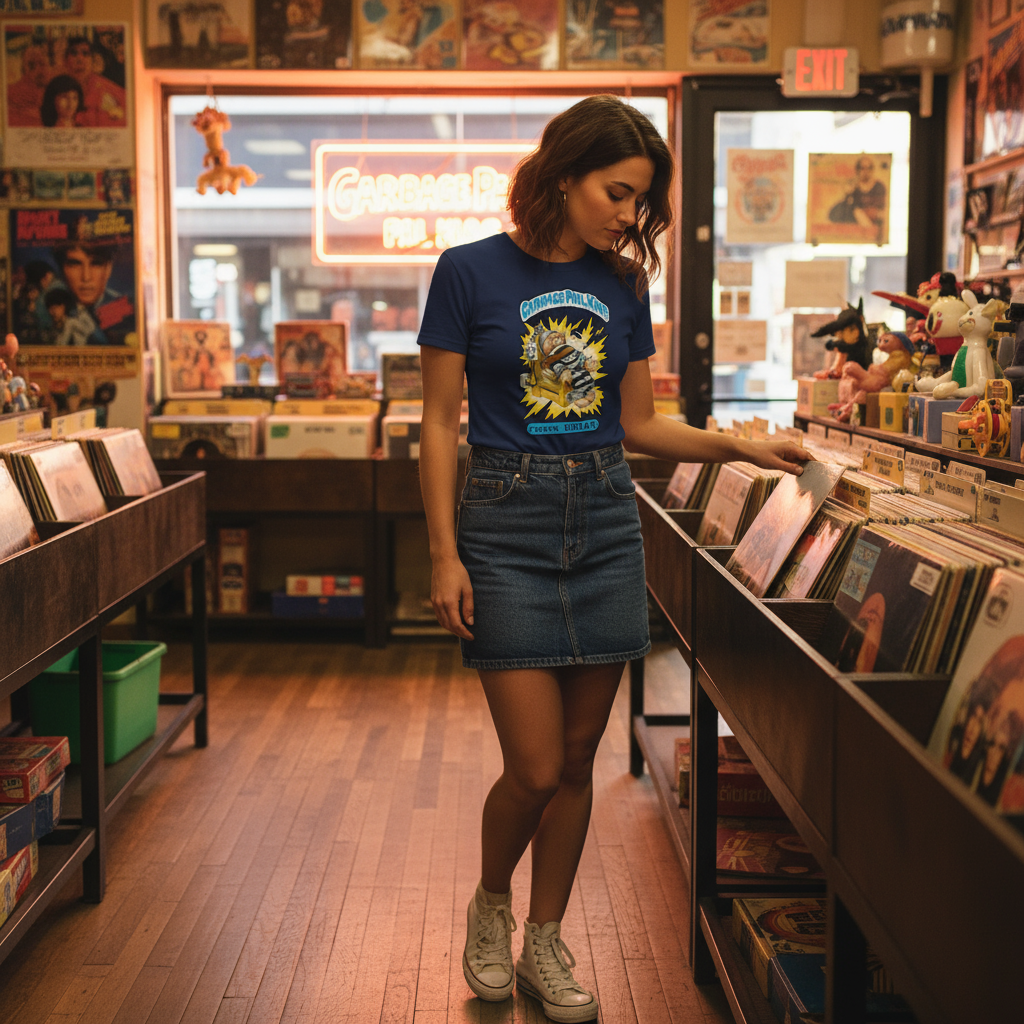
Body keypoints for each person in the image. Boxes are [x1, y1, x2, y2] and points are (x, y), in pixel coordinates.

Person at [416, 94, 810, 1022]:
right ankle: (491, 903)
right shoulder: (467, 271)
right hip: (504, 525)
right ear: (563, 173)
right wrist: (443, 555)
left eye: (639, 202)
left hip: (603, 519)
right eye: (618, 192)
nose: (629, 216)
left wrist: (739, 447)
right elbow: (438, 425)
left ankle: (545, 942)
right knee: (535, 765)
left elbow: (637, 425)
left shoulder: (623, 287)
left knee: (584, 754)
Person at [62, 35, 126, 127]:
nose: (79, 59)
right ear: (65, 60)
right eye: (74, 53)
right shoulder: (57, 89)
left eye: (85, 53)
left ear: (92, 60)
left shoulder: (108, 90)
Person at [828, 156, 887, 241]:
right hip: (857, 233)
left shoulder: (879, 187)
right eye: (862, 168)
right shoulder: (853, 189)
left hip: (875, 232)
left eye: (869, 168)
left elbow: (883, 211)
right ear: (858, 170)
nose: (866, 171)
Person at [6, 44, 51, 127]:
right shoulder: (11, 93)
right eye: (32, 66)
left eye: (42, 64)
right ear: (24, 70)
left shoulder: (60, 92)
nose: (38, 70)